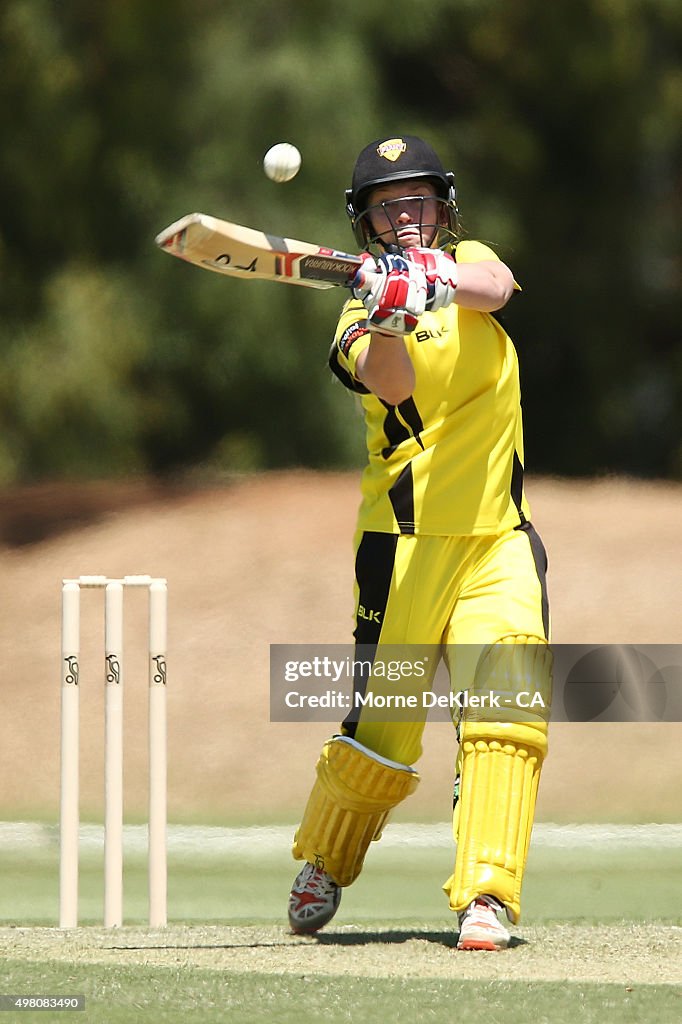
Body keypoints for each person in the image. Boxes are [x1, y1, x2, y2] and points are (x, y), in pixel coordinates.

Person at [287, 135, 551, 951]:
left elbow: (497, 289)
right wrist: (393, 308)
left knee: (506, 715)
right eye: (387, 205)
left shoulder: (468, 260)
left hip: (498, 540)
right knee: (385, 732)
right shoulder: (353, 311)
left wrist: (429, 277)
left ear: (443, 209)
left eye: (418, 202)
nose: (406, 216)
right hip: (401, 550)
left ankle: (487, 898)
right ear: (365, 222)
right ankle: (326, 859)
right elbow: (389, 381)